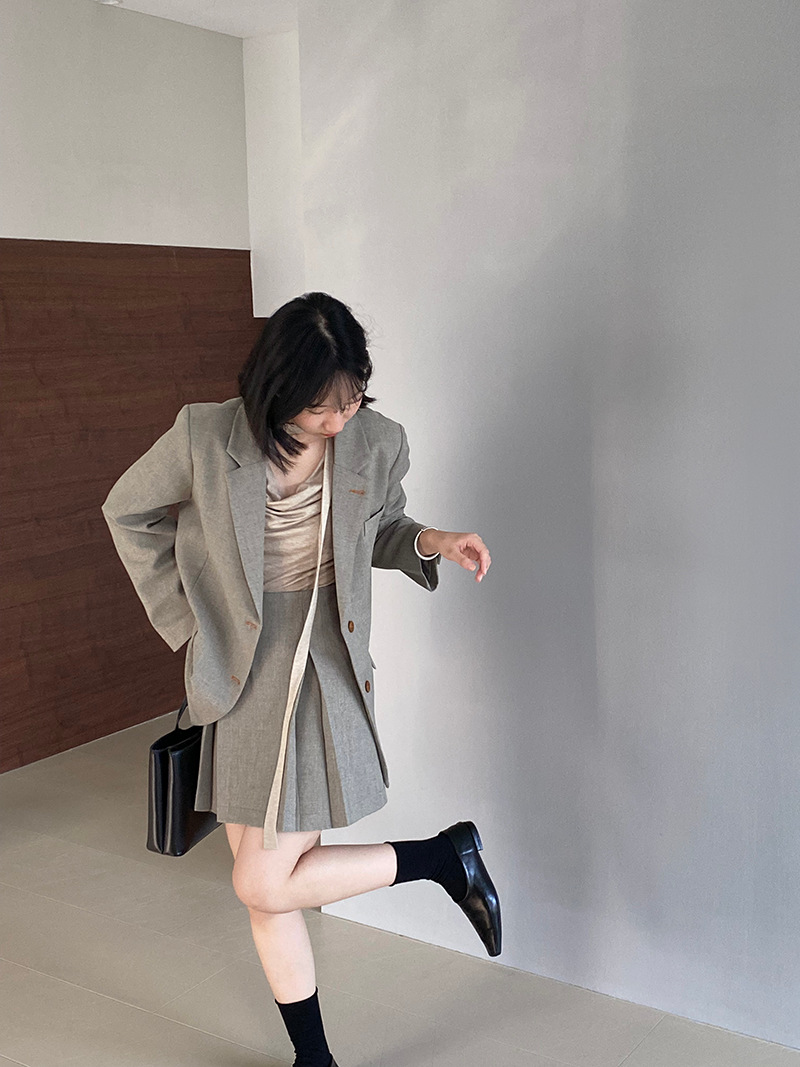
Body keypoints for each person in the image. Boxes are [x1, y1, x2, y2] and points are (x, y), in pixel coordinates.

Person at [101, 291, 501, 1067]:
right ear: (277, 390)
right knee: (267, 887)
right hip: (240, 668)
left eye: (351, 400)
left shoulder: (378, 441)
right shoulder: (205, 436)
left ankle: (441, 858)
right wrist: (186, 622)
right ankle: (316, 1058)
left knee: (261, 880)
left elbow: (382, 529)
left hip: (323, 666)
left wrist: (432, 540)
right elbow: (128, 512)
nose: (339, 421)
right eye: (322, 408)